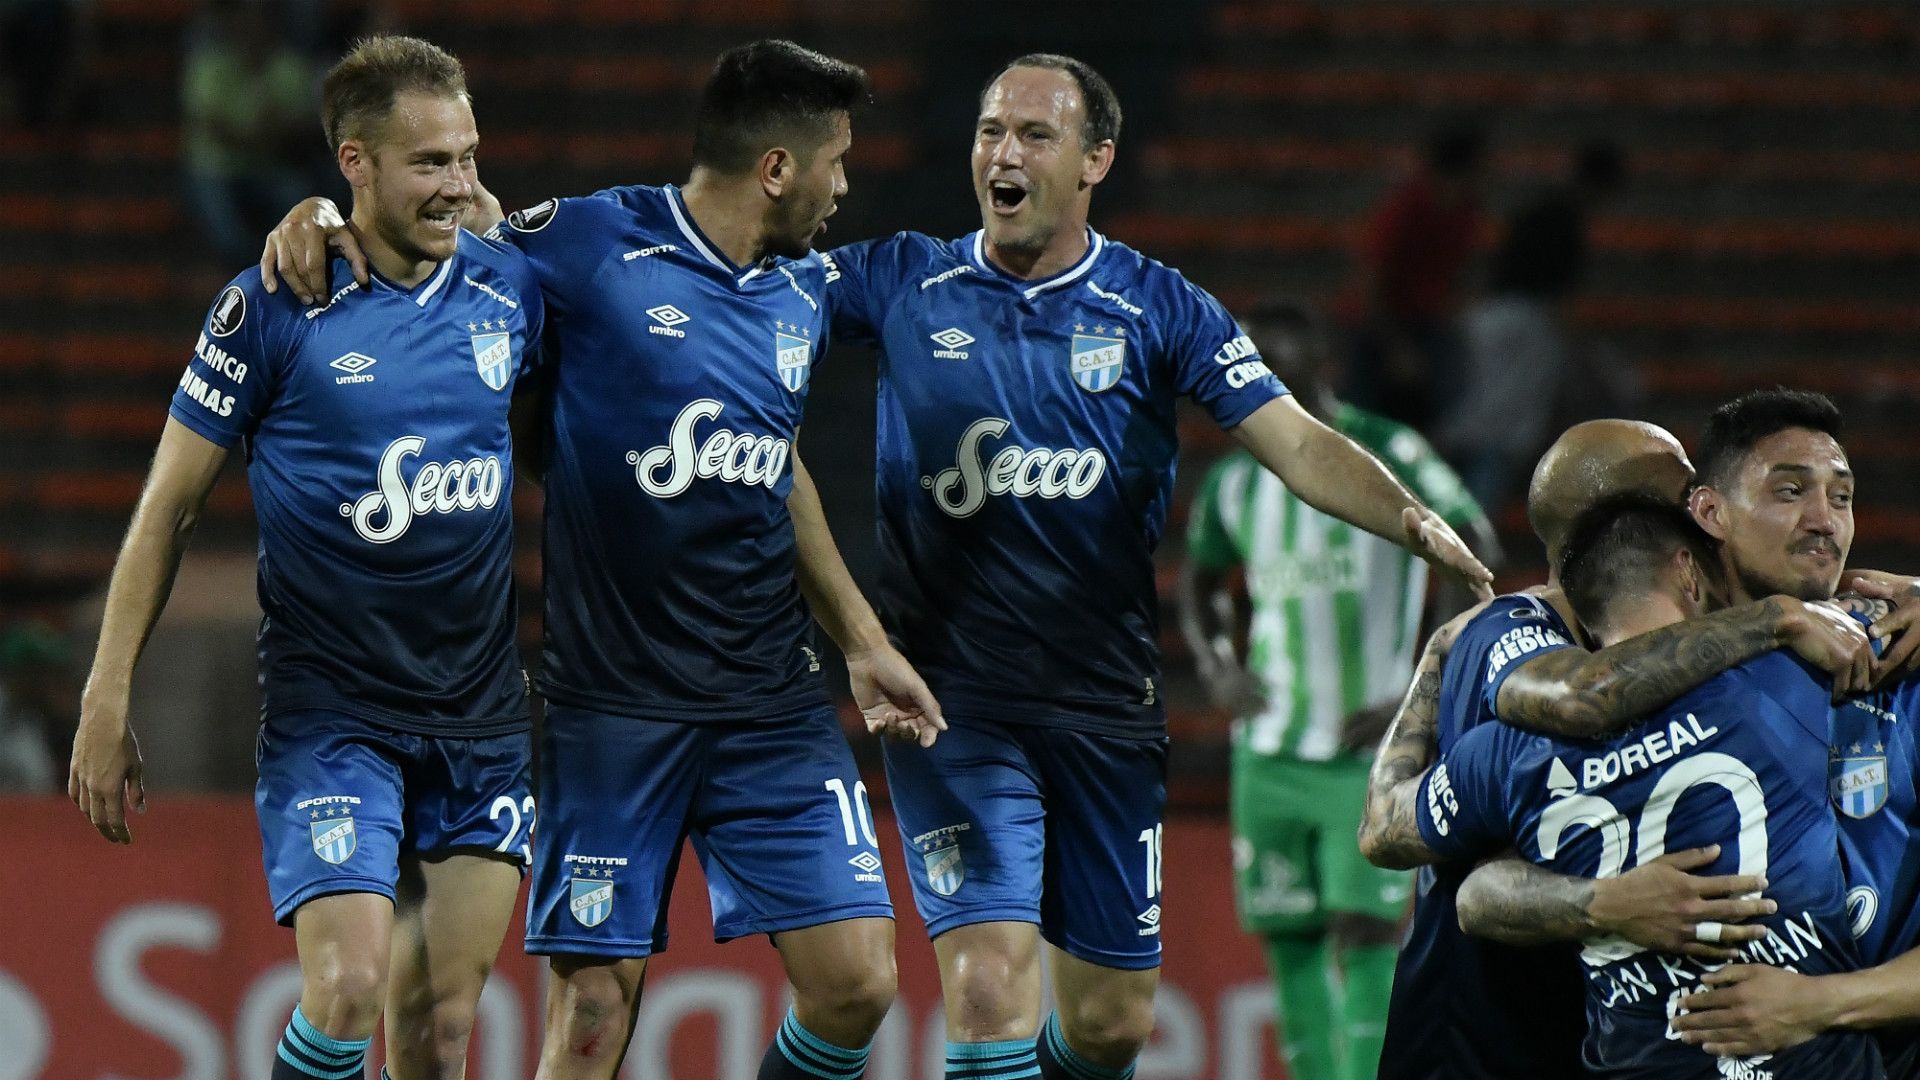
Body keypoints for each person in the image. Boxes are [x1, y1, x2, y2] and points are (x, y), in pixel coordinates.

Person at [260, 39, 940, 1080]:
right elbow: (436, 226)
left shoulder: (806, 289)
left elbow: (774, 464)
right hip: (611, 709)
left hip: (770, 702)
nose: (847, 184)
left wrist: (862, 639)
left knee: (860, 983)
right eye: (836, 161)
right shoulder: (586, 244)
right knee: (589, 1016)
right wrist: (315, 217)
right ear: (776, 168)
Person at [819, 55, 1495, 1079]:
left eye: (1034, 135)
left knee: (1109, 1027)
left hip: (1103, 706)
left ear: (1096, 159)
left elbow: (1299, 441)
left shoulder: (1158, 307)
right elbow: (744, 295)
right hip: (950, 703)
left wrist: (1410, 519)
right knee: (991, 988)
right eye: (990, 130)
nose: (1003, 153)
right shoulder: (903, 277)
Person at [72, 36, 543, 1080]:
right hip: (334, 721)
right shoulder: (276, 305)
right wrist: (106, 700)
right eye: (429, 162)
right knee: (346, 992)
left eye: (467, 156)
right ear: (354, 163)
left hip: (480, 720)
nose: (457, 185)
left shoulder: (513, 283)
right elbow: (166, 512)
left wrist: (479, 206)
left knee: (443, 1027)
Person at [1370, 416, 1876, 1080]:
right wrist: (1777, 618)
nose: (1704, 507)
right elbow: (1583, 695)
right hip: (1476, 1040)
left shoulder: (1716, 650)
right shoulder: (1517, 628)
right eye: (1684, 494)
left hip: (1592, 1029)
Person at [1176, 296, 1494, 1080]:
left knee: (1366, 931)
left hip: (1372, 748)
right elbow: (1202, 581)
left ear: (1319, 364)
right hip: (1273, 749)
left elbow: (1473, 546)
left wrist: (1427, 685)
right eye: (1252, 365)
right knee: (1290, 939)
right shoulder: (1235, 485)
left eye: (1278, 363)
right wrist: (1217, 661)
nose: (1261, 380)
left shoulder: (1387, 453)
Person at [1437, 142, 1629, 511]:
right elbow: (1557, 301)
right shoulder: (1567, 222)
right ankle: (1469, 524)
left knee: (1474, 426)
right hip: (1525, 330)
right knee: (1498, 436)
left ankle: (1457, 516)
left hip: (1489, 319)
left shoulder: (1539, 208)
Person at [1338, 122, 1488, 432]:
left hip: (1427, 327)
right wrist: (1396, 347)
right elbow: (1372, 282)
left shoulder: (1465, 212)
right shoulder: (1407, 209)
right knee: (1362, 422)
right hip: (1379, 328)